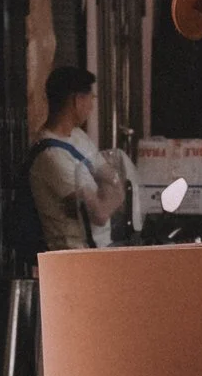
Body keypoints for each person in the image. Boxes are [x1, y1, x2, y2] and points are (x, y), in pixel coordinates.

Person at [25, 63, 126, 250]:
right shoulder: (51, 155)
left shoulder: (78, 136)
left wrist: (105, 194)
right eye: (91, 98)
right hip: (74, 256)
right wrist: (107, 194)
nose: (91, 107)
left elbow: (115, 181)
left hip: (100, 250)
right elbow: (98, 214)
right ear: (77, 100)